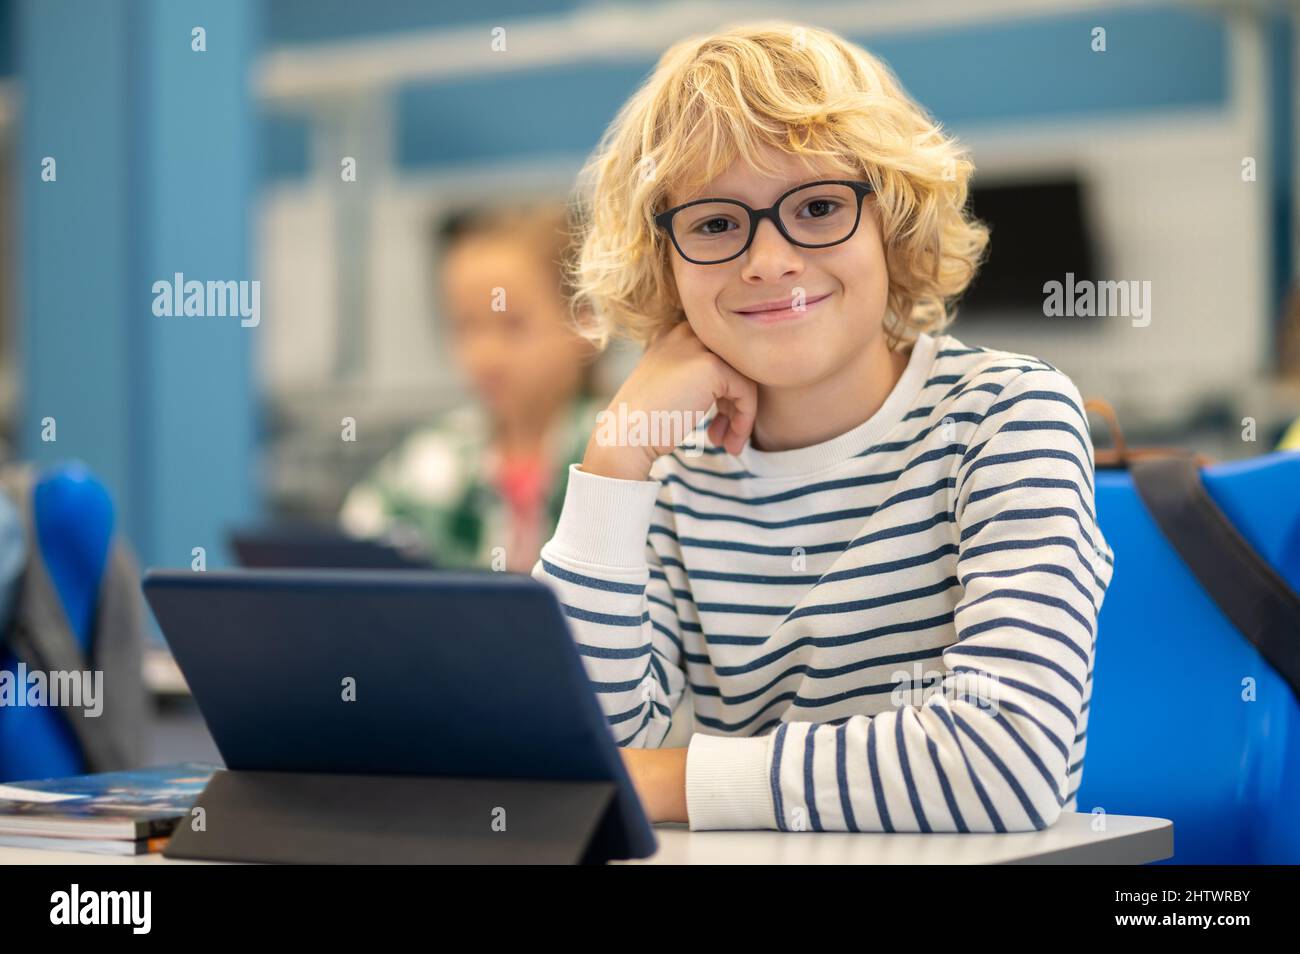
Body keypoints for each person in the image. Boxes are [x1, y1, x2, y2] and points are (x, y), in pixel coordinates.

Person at [531, 21, 1115, 832]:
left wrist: (664, 783)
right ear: (664, 260)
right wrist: (618, 451)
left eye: (816, 206)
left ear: (894, 224)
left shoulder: (1007, 416)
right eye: (713, 222)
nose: (768, 259)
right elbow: (569, 755)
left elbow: (1005, 765)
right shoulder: (668, 474)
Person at [340, 203, 602, 572]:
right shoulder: (429, 460)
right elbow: (354, 555)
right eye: (465, 326)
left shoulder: (618, 451)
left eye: (513, 325)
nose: (485, 355)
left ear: (585, 323)